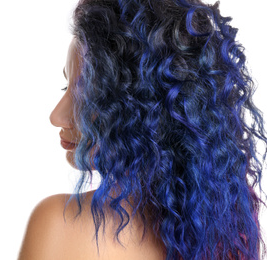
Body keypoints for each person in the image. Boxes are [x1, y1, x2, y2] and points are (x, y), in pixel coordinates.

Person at [18, 0, 267, 259]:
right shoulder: (226, 235)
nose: (56, 116)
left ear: (148, 109)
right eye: (66, 88)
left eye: (88, 94)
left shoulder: (58, 224)